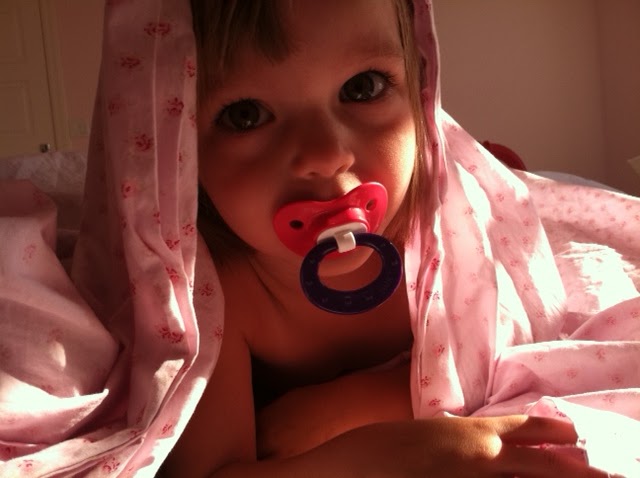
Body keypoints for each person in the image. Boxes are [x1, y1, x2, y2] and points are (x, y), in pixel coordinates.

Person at [159, 1, 639, 477]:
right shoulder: (210, 288)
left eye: (362, 87)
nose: (326, 155)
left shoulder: (448, 229)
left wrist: (365, 402)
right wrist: (384, 455)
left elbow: (516, 345)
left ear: (418, 88)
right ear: (182, 144)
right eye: (245, 115)